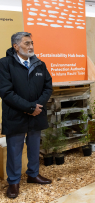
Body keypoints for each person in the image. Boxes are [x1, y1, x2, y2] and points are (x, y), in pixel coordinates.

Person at [0, 32, 53, 198]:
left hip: (36, 114)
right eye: (26, 43)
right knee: (15, 149)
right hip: (16, 115)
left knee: (34, 147)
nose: (31, 47)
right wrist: (29, 107)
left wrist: (37, 106)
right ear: (16, 46)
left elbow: (48, 87)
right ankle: (14, 182)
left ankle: (33, 174)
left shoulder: (40, 64)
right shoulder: (5, 64)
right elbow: (6, 92)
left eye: (32, 43)